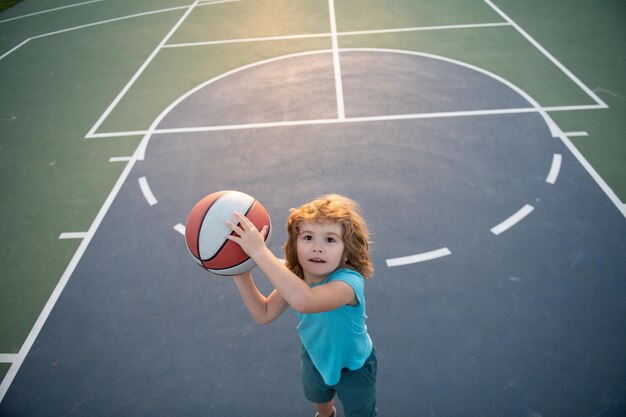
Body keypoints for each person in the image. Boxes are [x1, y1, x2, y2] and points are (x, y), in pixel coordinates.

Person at [226, 194, 377, 417]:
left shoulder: (349, 283)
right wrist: (240, 273)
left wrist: (259, 251)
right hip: (315, 357)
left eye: (330, 240)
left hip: (354, 367)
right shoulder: (297, 279)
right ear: (294, 244)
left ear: (347, 251)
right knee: (319, 399)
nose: (317, 248)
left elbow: (305, 301)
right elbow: (264, 313)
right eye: (308, 237)